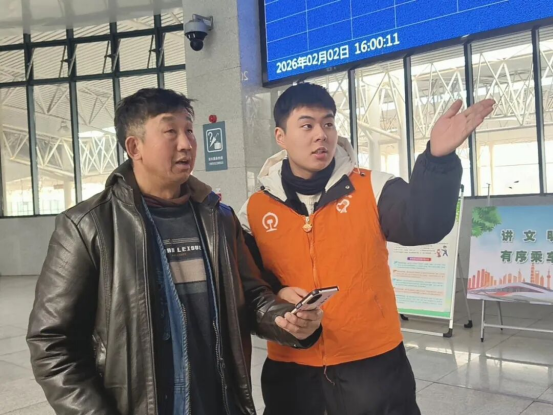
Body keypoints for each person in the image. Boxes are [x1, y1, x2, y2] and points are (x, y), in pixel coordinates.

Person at [27, 88, 323, 415]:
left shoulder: (219, 219)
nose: (186, 143)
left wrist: (287, 320)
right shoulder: (88, 225)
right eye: (170, 131)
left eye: (190, 130)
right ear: (134, 147)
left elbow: (251, 297)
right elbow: (52, 343)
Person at [239, 83, 495, 415]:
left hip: (373, 364)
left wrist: (438, 160)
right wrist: (278, 295)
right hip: (292, 367)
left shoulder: (373, 187)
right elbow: (248, 283)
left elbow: (424, 223)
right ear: (281, 136)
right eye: (307, 125)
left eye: (328, 123)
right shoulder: (254, 209)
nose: (321, 135)